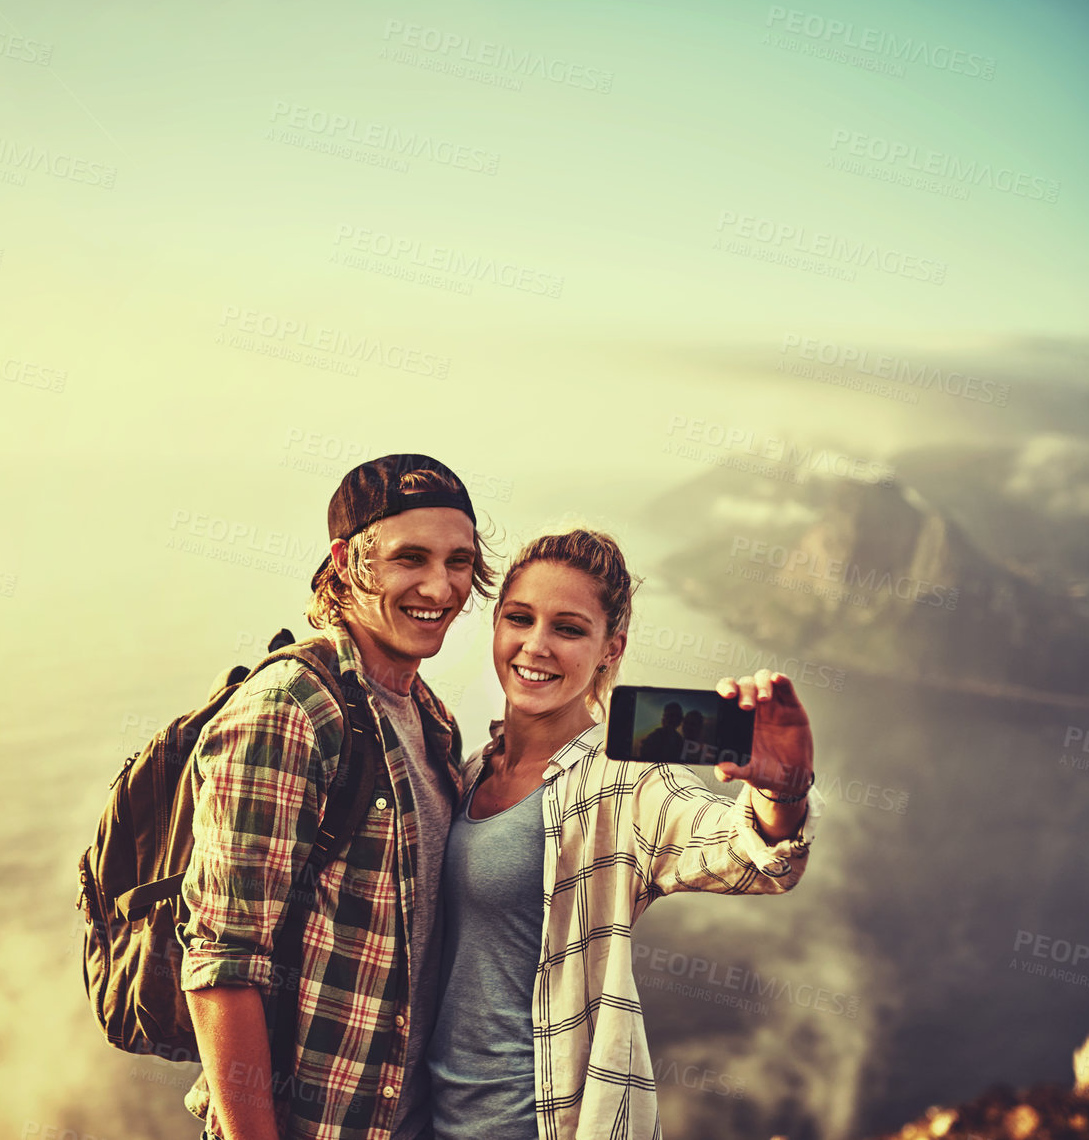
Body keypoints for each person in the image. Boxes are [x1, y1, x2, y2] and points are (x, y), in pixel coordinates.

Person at [427, 529, 825, 1140]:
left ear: (611, 649)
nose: (535, 645)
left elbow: (749, 852)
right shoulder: (468, 768)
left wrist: (782, 791)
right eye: (520, 618)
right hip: (426, 1118)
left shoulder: (622, 783)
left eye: (569, 628)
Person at [178, 453, 496, 1140]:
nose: (439, 585)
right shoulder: (290, 709)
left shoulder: (429, 717)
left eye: (459, 560)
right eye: (410, 557)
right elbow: (220, 965)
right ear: (348, 561)